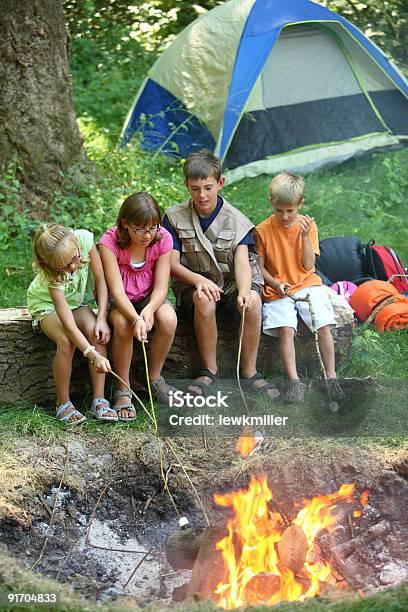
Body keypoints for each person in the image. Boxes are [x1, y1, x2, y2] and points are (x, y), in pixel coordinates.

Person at [162, 149, 280, 398]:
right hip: (194, 281)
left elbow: (242, 262)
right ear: (186, 185)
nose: (202, 195)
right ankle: (209, 370)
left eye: (207, 187)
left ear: (220, 183)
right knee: (203, 298)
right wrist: (200, 281)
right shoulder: (173, 217)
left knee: (253, 303)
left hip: (232, 280)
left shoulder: (237, 220)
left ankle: (249, 372)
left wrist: (246, 292)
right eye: (195, 188)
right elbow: (172, 263)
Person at [254, 172, 345, 404]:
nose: (284, 216)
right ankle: (294, 381)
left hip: (306, 283)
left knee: (322, 325)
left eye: (290, 211)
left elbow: (309, 265)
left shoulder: (308, 227)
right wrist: (275, 283)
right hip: (278, 288)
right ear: (271, 203)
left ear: (300, 205)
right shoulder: (262, 230)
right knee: (286, 329)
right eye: (279, 210)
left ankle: (331, 378)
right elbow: (260, 268)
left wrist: (304, 236)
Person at [27, 224, 117, 424]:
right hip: (47, 306)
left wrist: (101, 317)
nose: (74, 267)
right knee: (67, 341)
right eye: (65, 266)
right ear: (50, 264)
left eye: (75, 259)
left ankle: (99, 400)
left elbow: (101, 282)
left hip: (75, 302)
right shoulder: (52, 274)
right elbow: (68, 325)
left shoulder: (84, 239)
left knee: (97, 332)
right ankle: (63, 403)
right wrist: (93, 355)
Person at [99, 192, 177, 417]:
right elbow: (115, 289)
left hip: (149, 297)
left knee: (168, 319)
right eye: (140, 229)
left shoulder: (162, 238)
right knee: (123, 325)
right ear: (125, 223)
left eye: (152, 228)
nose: (147, 235)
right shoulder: (110, 242)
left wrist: (150, 309)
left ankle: (154, 378)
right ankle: (123, 387)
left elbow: (162, 286)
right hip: (120, 300)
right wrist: (136, 318)